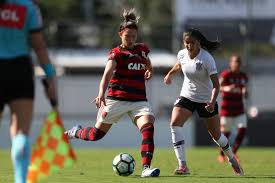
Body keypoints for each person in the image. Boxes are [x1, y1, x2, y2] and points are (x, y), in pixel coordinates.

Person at [64, 9, 160, 178]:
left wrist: (149, 70)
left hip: (139, 101)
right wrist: (101, 94)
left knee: (148, 128)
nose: (130, 39)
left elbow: (147, 61)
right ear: (120, 34)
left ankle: (146, 168)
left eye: (133, 36)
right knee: (95, 135)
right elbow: (107, 74)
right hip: (116, 100)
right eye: (127, 36)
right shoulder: (116, 53)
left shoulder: (142, 49)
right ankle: (75, 132)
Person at [163, 28, 244, 176]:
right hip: (187, 96)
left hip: (206, 100)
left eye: (192, 43)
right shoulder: (182, 54)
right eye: (186, 43)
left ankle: (232, 159)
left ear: (199, 43)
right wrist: (169, 74)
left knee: (217, 136)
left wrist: (212, 102)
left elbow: (216, 85)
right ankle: (183, 165)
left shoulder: (206, 58)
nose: (189, 46)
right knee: (175, 123)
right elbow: (179, 65)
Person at [0, 0, 58, 183]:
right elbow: (39, 46)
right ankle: (20, 180)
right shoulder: (28, 7)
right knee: (20, 131)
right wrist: (50, 79)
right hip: (19, 70)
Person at [218, 55, 248, 163]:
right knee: (226, 134)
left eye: (239, 62)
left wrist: (245, 92)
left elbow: (246, 90)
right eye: (235, 62)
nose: (237, 64)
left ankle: (234, 152)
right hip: (227, 110)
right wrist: (227, 88)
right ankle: (222, 154)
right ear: (231, 63)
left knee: (242, 130)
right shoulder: (226, 75)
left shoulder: (243, 76)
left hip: (239, 109)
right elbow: (218, 87)